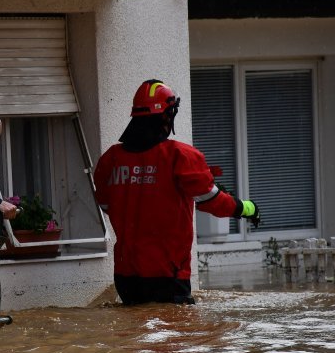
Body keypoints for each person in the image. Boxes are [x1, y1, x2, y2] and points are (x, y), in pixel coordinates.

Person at [93, 79, 260, 305]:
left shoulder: (110, 160)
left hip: (126, 275)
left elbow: (105, 206)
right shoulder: (180, 157)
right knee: (174, 337)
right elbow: (211, 200)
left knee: (132, 336)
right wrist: (246, 208)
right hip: (167, 274)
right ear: (167, 115)